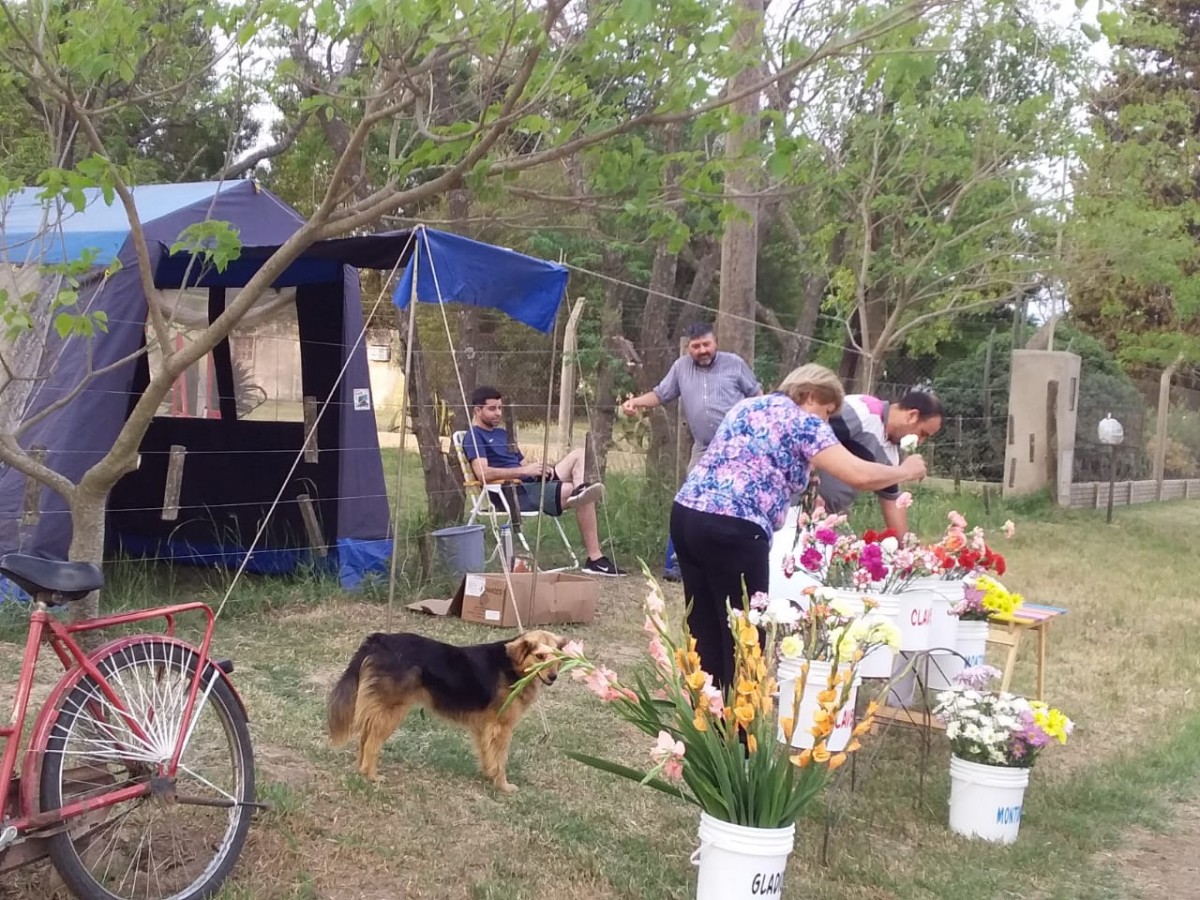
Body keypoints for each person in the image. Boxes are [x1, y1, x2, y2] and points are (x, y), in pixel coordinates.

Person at [669, 364, 928, 688]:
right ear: (809, 395)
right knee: (745, 635)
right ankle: (736, 732)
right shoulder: (804, 421)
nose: (825, 421)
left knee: (704, 627)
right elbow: (860, 475)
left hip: (687, 514)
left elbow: (756, 458)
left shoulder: (749, 405)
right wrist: (905, 470)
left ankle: (703, 721)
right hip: (735, 527)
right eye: (827, 411)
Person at [621, 322, 761, 578]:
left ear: (715, 342)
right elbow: (661, 394)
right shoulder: (681, 368)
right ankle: (679, 562)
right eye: (696, 346)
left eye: (706, 344)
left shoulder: (734, 364)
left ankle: (736, 561)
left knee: (735, 502)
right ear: (688, 349)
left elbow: (757, 396)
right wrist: (635, 403)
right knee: (690, 500)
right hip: (704, 447)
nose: (702, 350)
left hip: (738, 446)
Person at [463, 386, 626, 576]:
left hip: (531, 482)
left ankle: (580, 490)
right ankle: (595, 558)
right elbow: (483, 473)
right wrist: (524, 471)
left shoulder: (502, 434)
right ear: (477, 410)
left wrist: (539, 468)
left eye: (500, 408)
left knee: (579, 456)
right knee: (577, 493)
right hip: (512, 492)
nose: (498, 413)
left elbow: (522, 463)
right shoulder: (473, 436)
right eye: (492, 408)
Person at [816, 390, 944, 534]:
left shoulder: (891, 455)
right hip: (799, 503)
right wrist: (906, 471)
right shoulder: (860, 412)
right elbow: (809, 438)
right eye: (922, 434)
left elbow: (892, 502)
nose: (920, 442)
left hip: (827, 515)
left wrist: (906, 550)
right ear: (912, 416)